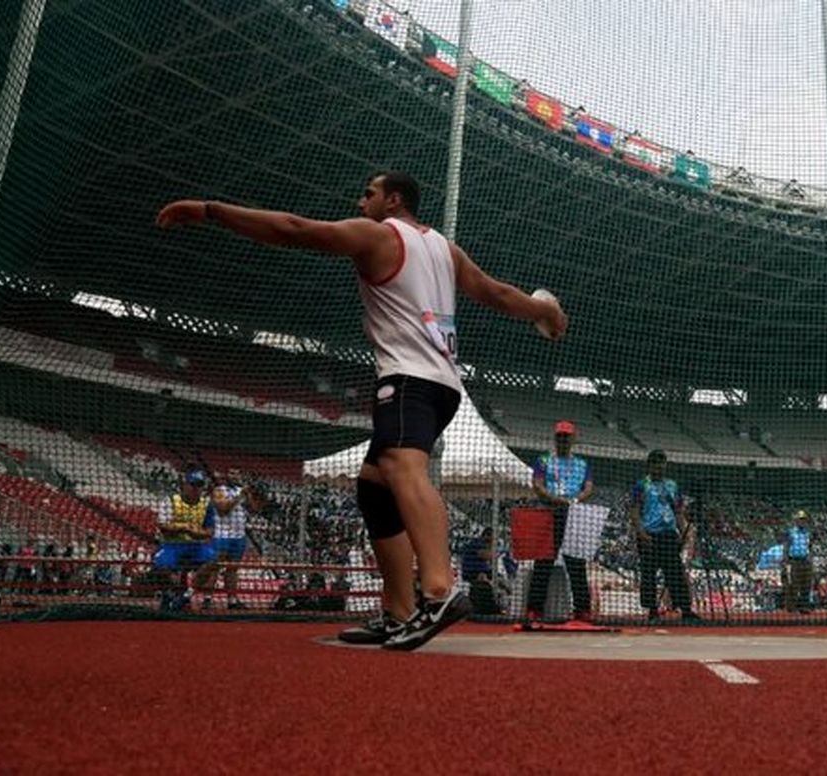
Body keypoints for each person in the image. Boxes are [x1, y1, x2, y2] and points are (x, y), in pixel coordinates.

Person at [158, 172, 566, 649]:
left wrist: (212, 210)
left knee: (400, 466)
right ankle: (398, 611)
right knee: (373, 490)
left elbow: (295, 229)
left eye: (369, 193)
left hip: (407, 380)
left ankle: (438, 589)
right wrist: (543, 312)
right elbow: (496, 294)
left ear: (393, 200)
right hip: (442, 387)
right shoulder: (443, 248)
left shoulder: (378, 233)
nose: (361, 199)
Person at [525, 420, 595, 623]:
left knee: (576, 563)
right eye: (560, 436)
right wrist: (557, 500)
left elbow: (589, 487)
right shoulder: (544, 461)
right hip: (549, 512)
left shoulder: (582, 464)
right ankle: (534, 608)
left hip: (574, 515)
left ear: (573, 439)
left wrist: (576, 500)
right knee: (543, 561)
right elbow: (537, 486)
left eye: (567, 436)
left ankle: (582, 609)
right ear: (555, 438)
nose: (563, 440)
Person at [630, 449, 696, 622]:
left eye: (662, 463)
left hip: (669, 535)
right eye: (655, 463)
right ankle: (652, 611)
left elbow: (679, 511)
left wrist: (685, 531)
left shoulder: (672, 486)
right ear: (649, 465)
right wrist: (641, 532)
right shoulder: (641, 485)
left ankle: (686, 610)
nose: (659, 467)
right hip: (649, 535)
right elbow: (635, 510)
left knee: (675, 573)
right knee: (648, 574)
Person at [153, 470, 215, 611]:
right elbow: (163, 526)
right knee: (160, 564)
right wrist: (184, 528)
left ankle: (187, 594)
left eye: (199, 485)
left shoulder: (207, 505)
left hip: (196, 545)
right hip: (172, 545)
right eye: (192, 484)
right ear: (185, 485)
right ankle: (169, 594)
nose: (196, 489)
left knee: (214, 561)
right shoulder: (171, 500)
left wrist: (196, 533)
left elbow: (210, 532)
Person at [197, 469, 253, 610]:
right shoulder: (219, 490)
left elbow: (252, 510)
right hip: (222, 535)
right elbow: (223, 509)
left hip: (239, 535)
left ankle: (232, 600)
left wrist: (250, 496)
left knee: (233, 569)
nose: (234, 476)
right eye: (231, 473)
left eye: (236, 473)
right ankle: (207, 598)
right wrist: (240, 496)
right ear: (226, 475)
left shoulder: (241, 490)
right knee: (215, 566)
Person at [461, 527, 502, 615]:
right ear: (486, 536)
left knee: (501, 580)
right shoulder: (477, 543)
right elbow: (487, 556)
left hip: (482, 570)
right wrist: (492, 547)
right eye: (491, 537)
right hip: (472, 571)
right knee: (485, 578)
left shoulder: (484, 544)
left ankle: (501, 602)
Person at [782, 510, 813, 613]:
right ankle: (792, 607)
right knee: (794, 584)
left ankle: (804, 607)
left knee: (806, 584)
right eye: (800, 519)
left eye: (804, 520)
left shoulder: (807, 533)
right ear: (796, 521)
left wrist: (810, 558)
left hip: (805, 560)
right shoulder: (791, 532)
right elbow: (786, 546)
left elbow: (809, 546)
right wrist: (785, 561)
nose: (802, 522)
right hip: (794, 561)